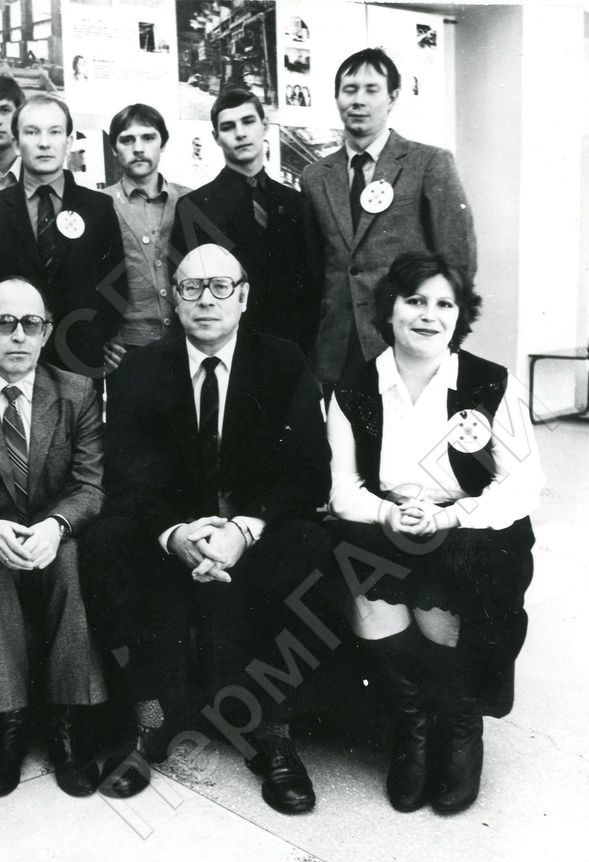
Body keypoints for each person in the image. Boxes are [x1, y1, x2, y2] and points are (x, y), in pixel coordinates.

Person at [80, 244, 332, 813]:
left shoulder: (282, 361)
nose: (206, 300)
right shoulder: (140, 368)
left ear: (243, 297)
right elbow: (127, 475)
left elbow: (308, 472)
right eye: (191, 288)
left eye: (221, 286)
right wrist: (176, 534)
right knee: (107, 541)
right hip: (177, 531)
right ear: (174, 298)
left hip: (252, 529)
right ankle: (149, 723)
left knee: (311, 545)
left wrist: (243, 530)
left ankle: (273, 732)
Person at [327, 252, 542, 814]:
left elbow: (523, 486)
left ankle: (460, 727)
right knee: (357, 569)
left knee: (449, 589)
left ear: (459, 315)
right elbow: (343, 490)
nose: (429, 315)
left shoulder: (490, 382)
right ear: (389, 309)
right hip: (392, 519)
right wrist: (387, 514)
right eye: (415, 300)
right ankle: (413, 729)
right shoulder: (355, 387)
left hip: (471, 523)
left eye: (444, 304)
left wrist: (448, 517)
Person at [0, 278, 107, 799]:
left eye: (32, 324)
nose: (18, 336)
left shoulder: (76, 392)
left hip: (54, 533)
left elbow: (90, 486)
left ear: (47, 332)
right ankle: (7, 724)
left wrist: (56, 526)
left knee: (70, 557)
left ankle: (66, 722)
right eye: (4, 323)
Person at [302, 48, 476, 390]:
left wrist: (440, 333)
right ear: (337, 98)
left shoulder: (428, 163)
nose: (358, 100)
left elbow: (458, 262)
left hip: (408, 339)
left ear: (393, 97)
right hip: (337, 345)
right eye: (349, 90)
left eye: (371, 90)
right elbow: (314, 266)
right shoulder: (315, 176)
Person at [0, 94, 127, 379]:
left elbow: (116, 282)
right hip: (10, 358)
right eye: (32, 132)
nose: (44, 143)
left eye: (54, 132)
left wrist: (99, 338)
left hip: (79, 359)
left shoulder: (98, 208)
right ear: (16, 143)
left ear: (70, 140)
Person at [169, 87, 318, 353]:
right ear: (216, 137)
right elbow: (186, 291)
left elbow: (313, 287)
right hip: (224, 352)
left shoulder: (297, 203)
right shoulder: (194, 207)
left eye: (248, 121)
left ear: (265, 125)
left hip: (290, 352)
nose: (240, 133)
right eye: (228, 127)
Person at [100, 103, 191, 368]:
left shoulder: (190, 201)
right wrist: (102, 333)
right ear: (114, 148)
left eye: (148, 138)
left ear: (163, 143)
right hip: (126, 351)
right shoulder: (99, 205)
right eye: (127, 140)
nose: (138, 148)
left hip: (187, 345)